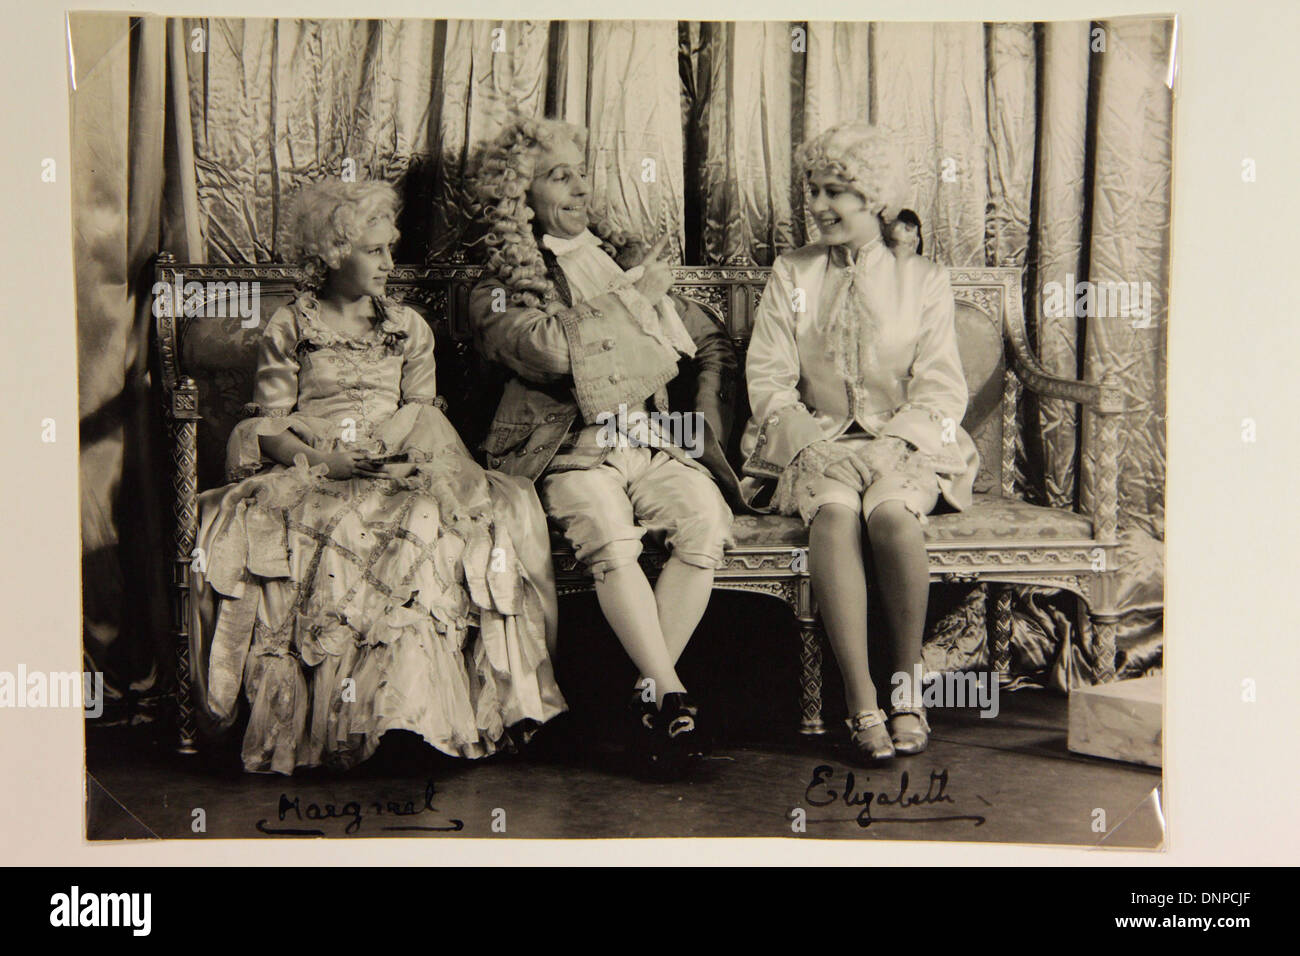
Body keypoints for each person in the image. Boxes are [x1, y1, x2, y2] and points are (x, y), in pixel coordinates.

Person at [192, 179, 565, 774]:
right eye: (376, 252)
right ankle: (345, 722)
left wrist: (399, 463)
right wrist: (323, 463)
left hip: (398, 468)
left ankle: (409, 715)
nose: (391, 265)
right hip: (315, 470)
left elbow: (422, 417)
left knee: (427, 521)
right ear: (336, 251)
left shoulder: (408, 327)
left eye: (391, 250)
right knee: (331, 527)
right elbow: (269, 424)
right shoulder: (293, 324)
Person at [466, 116, 744, 775]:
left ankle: (648, 695)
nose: (580, 189)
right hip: (566, 449)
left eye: (582, 173)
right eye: (559, 177)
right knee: (607, 530)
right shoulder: (499, 282)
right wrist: (632, 301)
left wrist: (638, 297)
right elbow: (550, 351)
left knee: (705, 519)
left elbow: (693, 346)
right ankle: (668, 695)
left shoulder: (616, 260)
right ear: (518, 198)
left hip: (648, 442)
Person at [741, 123, 979, 764]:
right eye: (812, 190)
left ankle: (906, 691)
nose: (817, 205)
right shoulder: (793, 271)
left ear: (873, 198)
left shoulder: (921, 278)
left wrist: (897, 443)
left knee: (894, 519)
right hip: (815, 442)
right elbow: (769, 379)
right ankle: (861, 698)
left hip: (903, 442)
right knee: (836, 514)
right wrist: (810, 443)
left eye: (835, 192)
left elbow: (940, 387)